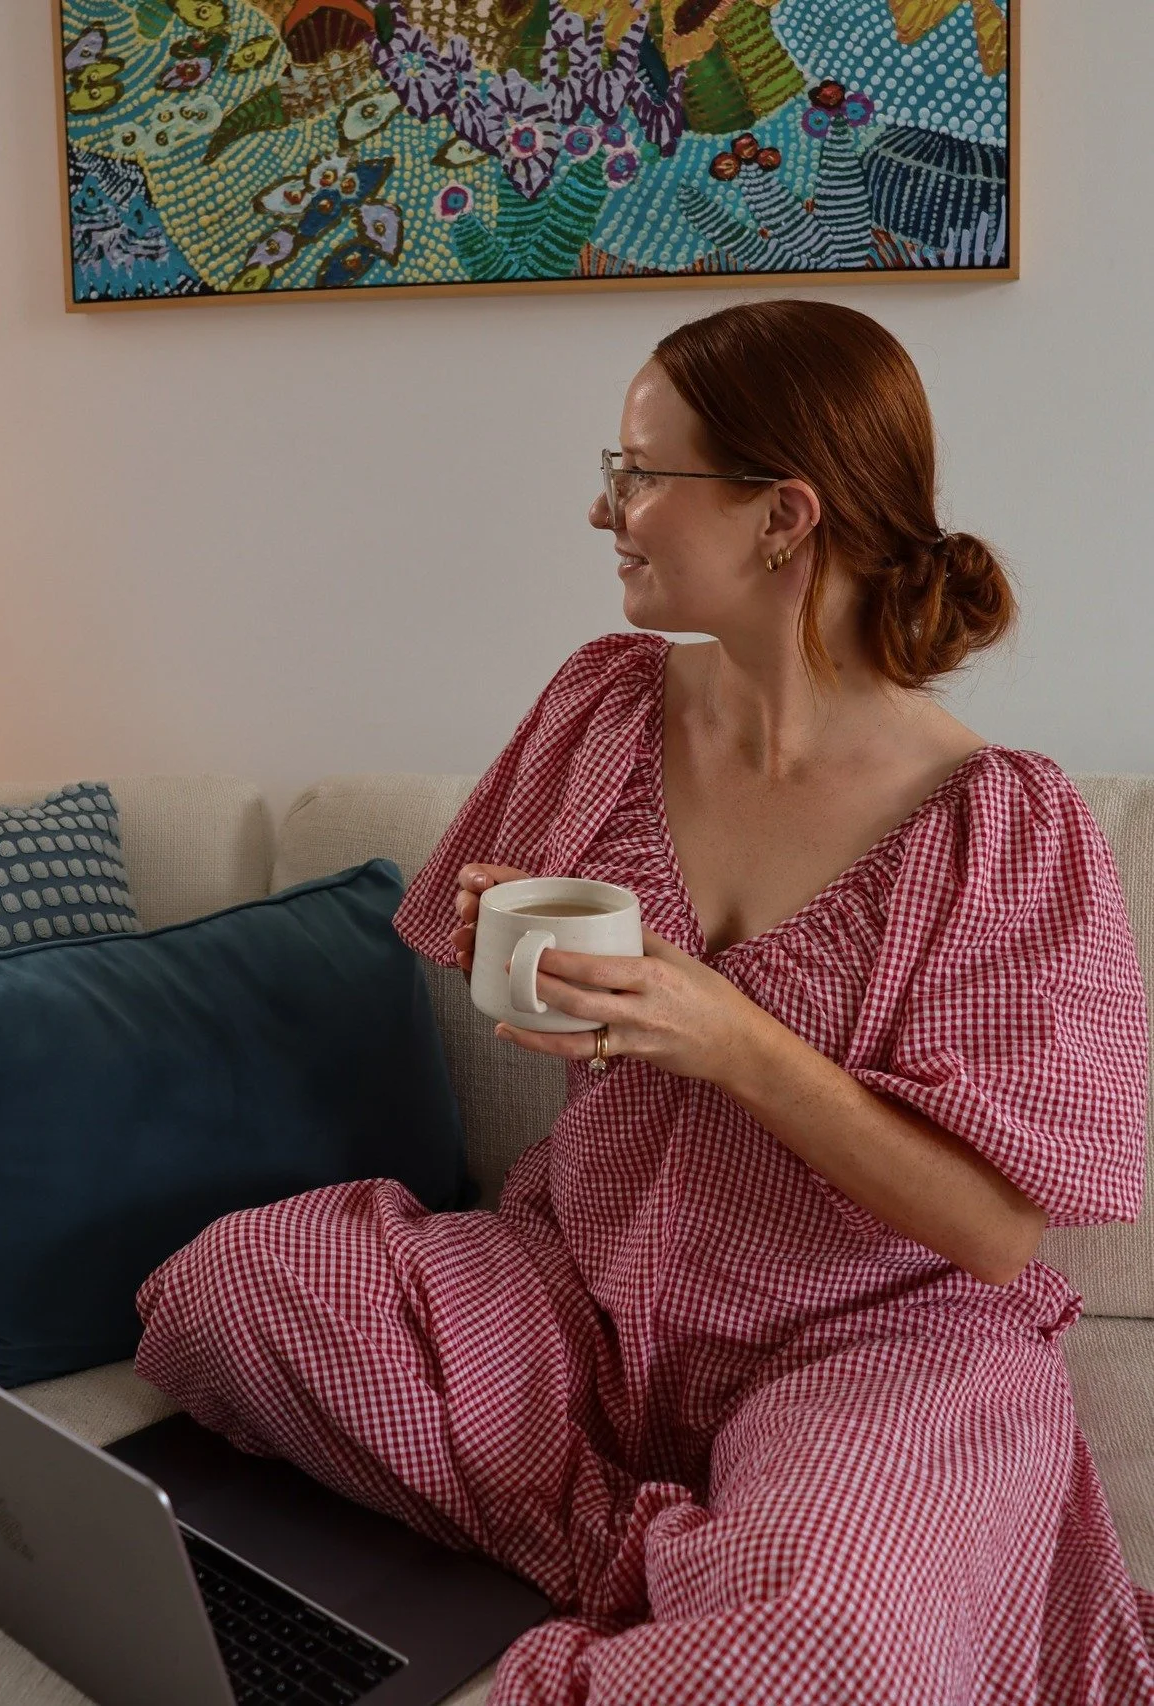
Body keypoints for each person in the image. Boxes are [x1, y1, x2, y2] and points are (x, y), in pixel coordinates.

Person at [134, 299, 1154, 1702]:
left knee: (835, 1651)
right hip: (584, 1302)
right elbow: (523, 963)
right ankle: (702, 1562)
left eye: (640, 472)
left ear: (783, 515)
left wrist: (733, 1040)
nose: (604, 507)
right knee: (233, 1291)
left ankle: (759, 1590)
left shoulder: (1002, 827)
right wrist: (525, 937)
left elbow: (992, 1228)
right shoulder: (607, 707)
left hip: (872, 1347)